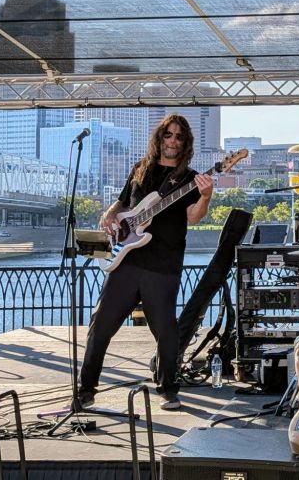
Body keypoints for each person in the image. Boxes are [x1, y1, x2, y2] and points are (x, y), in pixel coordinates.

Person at [78, 113, 213, 411]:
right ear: (159, 137)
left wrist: (205, 197)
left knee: (166, 331)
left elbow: (193, 217)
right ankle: (85, 389)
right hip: (127, 260)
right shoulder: (141, 169)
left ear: (186, 142)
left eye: (179, 136)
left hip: (163, 264)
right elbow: (123, 202)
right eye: (168, 134)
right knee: (100, 324)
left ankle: (168, 389)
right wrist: (109, 213)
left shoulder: (190, 179)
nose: (173, 141)